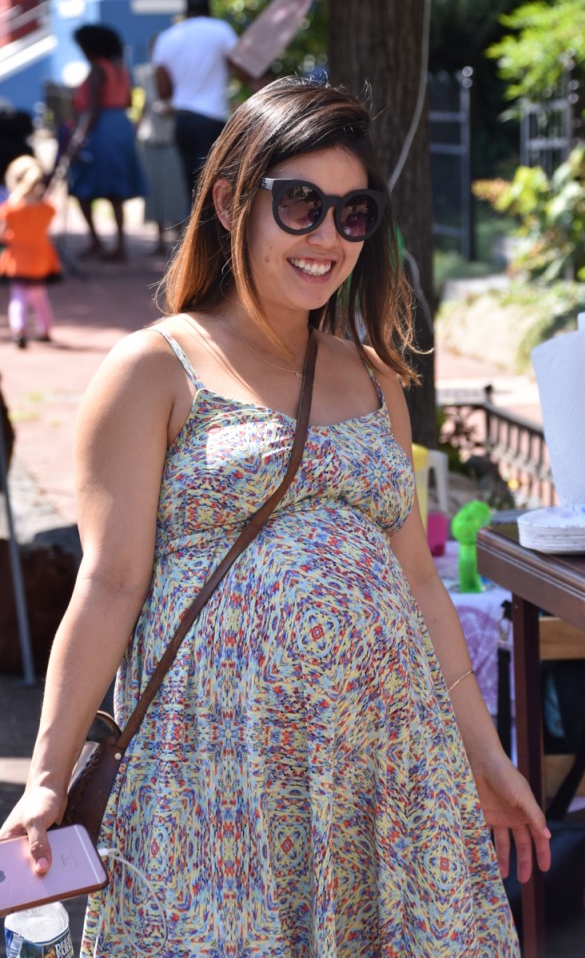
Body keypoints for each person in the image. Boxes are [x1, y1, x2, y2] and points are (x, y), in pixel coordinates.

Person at [0, 77, 550, 956]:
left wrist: (486, 756)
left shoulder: (374, 377)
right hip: (219, 780)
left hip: (387, 769)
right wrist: (46, 778)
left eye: (352, 213)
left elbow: (419, 584)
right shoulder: (154, 370)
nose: (327, 236)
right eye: (300, 204)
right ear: (228, 201)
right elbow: (108, 583)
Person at [152, 0, 250, 200]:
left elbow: (163, 90)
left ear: (186, 11)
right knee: (215, 184)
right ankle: (214, 232)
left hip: (182, 119)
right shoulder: (221, 30)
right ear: (209, 10)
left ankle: (195, 231)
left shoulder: (168, 37)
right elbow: (241, 70)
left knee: (191, 186)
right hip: (211, 119)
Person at [65, 24, 147, 261]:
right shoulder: (121, 69)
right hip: (120, 126)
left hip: (101, 130)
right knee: (116, 190)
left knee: (82, 187)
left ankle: (97, 240)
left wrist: (79, 137)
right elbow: (130, 101)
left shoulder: (97, 70)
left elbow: (93, 107)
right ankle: (120, 244)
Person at [0, 155, 60, 348]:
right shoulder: (46, 208)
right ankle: (45, 328)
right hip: (40, 259)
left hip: (18, 259)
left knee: (18, 296)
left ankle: (19, 329)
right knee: (39, 296)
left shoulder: (10, 209)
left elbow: (2, 234)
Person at [135, 39, 189, 253]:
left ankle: (178, 241)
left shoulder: (182, 73)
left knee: (176, 190)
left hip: (173, 138)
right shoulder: (145, 74)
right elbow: (145, 105)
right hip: (150, 138)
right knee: (153, 190)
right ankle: (158, 240)